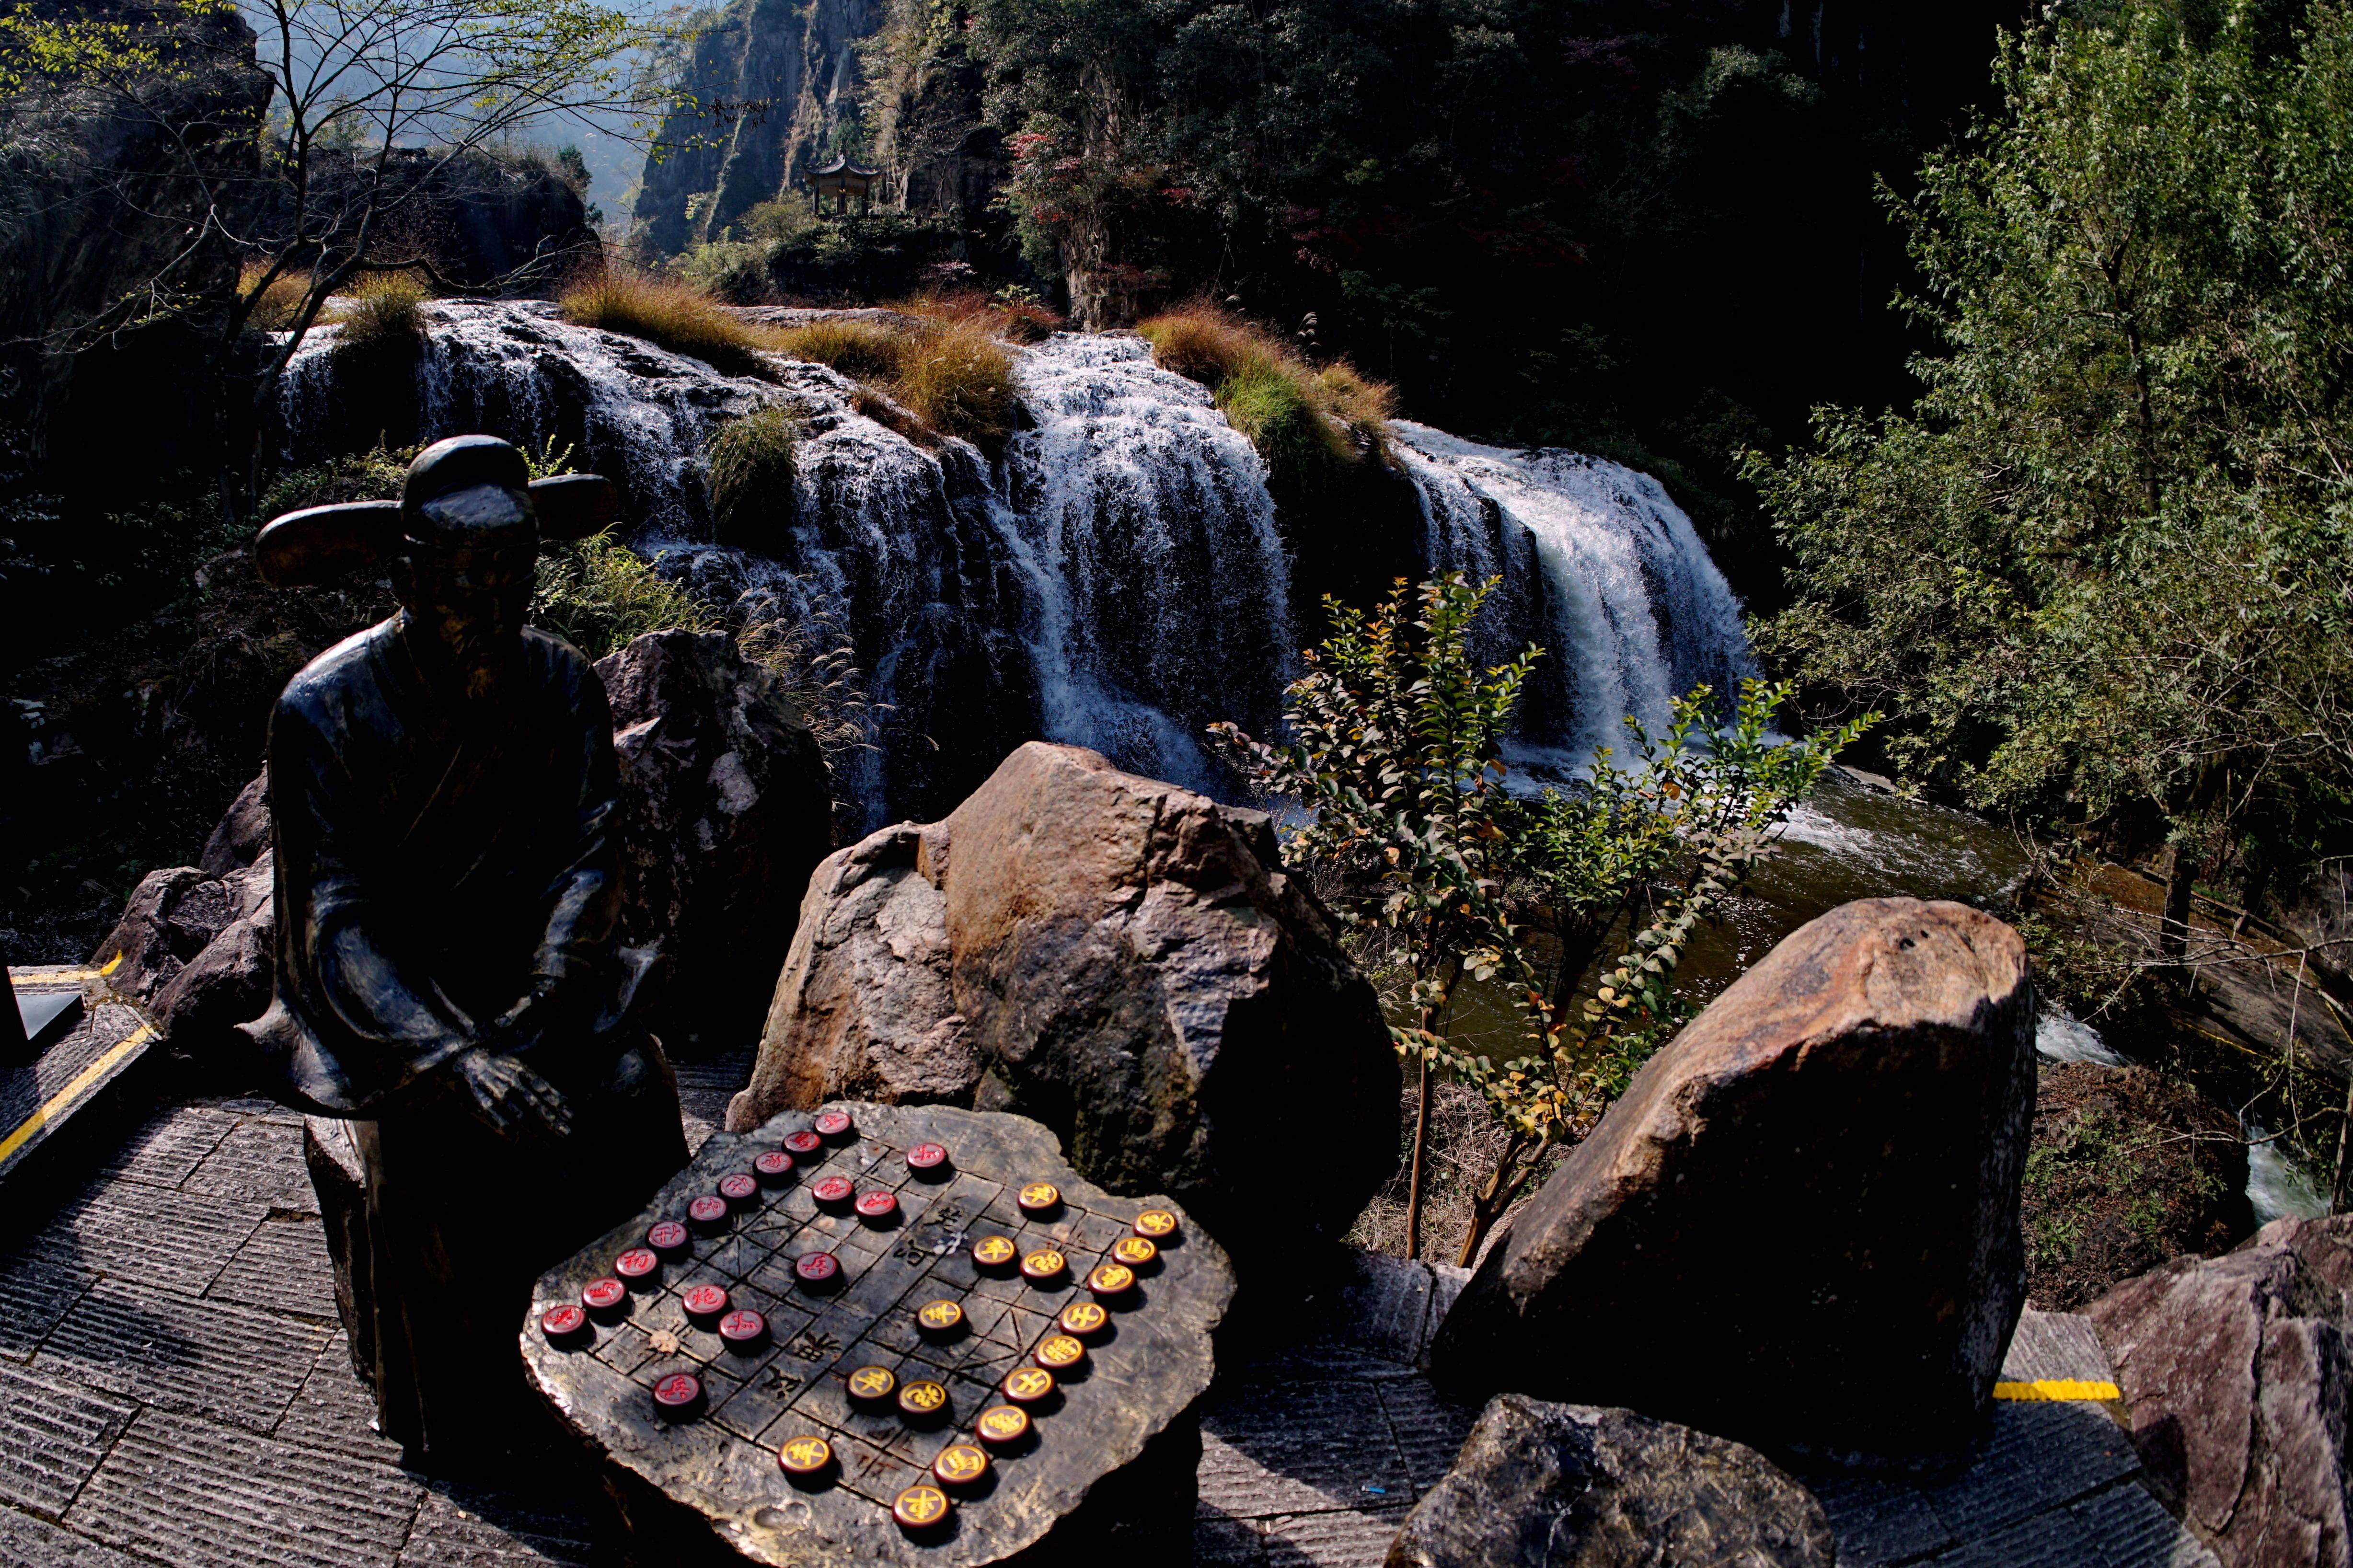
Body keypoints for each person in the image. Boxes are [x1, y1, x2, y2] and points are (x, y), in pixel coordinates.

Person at [242, 435, 687, 1468]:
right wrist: (458, 1059)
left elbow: (588, 854)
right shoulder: (322, 712)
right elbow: (335, 921)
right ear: (407, 577)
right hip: (397, 1019)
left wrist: (541, 999)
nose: (493, 621)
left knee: (632, 1089)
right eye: (464, 596)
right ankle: (469, 1418)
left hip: (538, 984)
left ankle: (657, 1349)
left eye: (512, 593)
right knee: (435, 1164)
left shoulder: (562, 683)